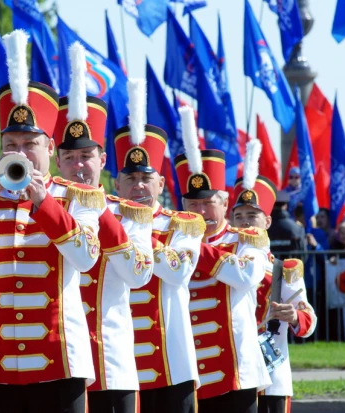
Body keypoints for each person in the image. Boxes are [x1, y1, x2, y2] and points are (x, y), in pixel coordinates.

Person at [0, 31, 103, 413]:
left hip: (59, 361)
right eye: (10, 144)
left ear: (49, 147)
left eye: (30, 144)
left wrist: (44, 202)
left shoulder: (76, 199)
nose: (20, 152)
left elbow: (87, 257)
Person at [53, 55, 154, 412]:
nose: (79, 166)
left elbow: (139, 273)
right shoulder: (42, 207)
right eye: (70, 157)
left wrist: (98, 210)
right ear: (57, 161)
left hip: (110, 360)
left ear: (102, 160)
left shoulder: (130, 214)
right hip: (56, 362)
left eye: (86, 156)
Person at [113, 83, 203, 413]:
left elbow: (177, 270)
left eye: (146, 179)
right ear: (116, 184)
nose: (138, 186)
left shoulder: (184, 224)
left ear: (161, 184)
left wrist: (132, 231)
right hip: (116, 359)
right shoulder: (104, 221)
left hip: (170, 360)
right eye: (131, 178)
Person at [176, 119, 270, 413]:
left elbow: (245, 275)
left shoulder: (248, 238)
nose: (201, 212)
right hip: (189, 369)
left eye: (209, 203)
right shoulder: (171, 240)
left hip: (235, 369)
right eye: (193, 205)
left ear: (225, 201)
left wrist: (195, 248)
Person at [230, 141, 317, 413]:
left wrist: (293, 316)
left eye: (252, 216)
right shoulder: (223, 263)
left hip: (272, 376)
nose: (245, 222)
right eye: (239, 216)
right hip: (234, 373)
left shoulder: (283, 268)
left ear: (267, 221)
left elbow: (308, 319)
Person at [268, 190, 306, 257]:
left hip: (269, 267)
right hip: (291, 267)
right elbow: (303, 255)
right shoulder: (297, 228)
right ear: (285, 206)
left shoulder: (264, 227)